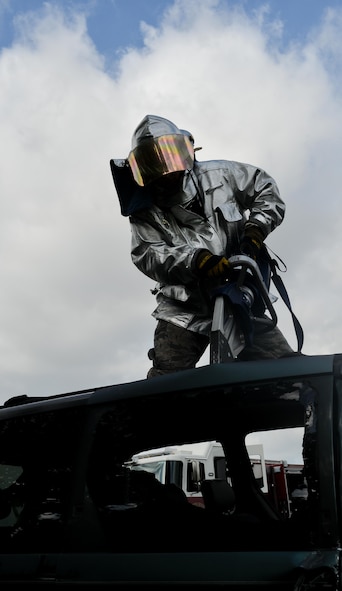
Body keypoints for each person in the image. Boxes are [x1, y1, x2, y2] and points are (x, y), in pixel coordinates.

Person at [111, 114, 295, 378]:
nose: (164, 169)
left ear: (185, 150)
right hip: (183, 308)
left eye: (168, 156)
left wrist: (255, 231)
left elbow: (266, 190)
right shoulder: (143, 211)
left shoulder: (222, 175)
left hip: (238, 297)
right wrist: (196, 261)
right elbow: (147, 253)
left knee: (288, 374)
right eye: (153, 163)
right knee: (165, 387)